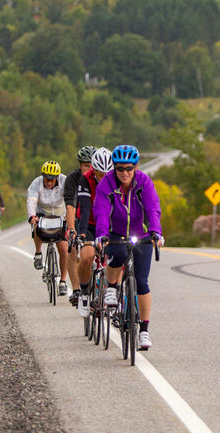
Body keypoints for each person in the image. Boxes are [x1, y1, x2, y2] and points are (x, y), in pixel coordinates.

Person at [93, 145, 164, 349]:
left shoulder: (143, 182)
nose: (124, 173)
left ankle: (144, 330)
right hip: (116, 231)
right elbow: (101, 210)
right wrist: (101, 234)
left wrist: (155, 231)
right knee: (116, 252)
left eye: (129, 168)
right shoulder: (106, 183)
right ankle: (113, 287)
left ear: (136, 167)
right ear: (114, 168)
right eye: (120, 168)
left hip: (140, 234)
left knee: (142, 282)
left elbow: (152, 207)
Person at [73, 147, 113, 317]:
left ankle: (116, 295)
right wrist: (81, 234)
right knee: (87, 256)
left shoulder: (116, 179)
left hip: (110, 224)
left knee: (119, 257)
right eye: (99, 173)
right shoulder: (85, 179)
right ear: (93, 169)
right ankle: (83, 293)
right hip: (88, 223)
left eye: (106, 173)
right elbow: (85, 205)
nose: (103, 177)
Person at [27, 161, 69, 297]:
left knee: (63, 249)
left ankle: (62, 282)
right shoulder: (36, 183)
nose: (49, 182)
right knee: (36, 225)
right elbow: (31, 200)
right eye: (46, 179)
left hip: (59, 213)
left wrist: (69, 217)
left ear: (57, 177)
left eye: (52, 180)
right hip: (42, 212)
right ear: (43, 176)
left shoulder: (64, 181)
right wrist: (31, 216)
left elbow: (71, 199)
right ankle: (38, 253)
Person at [63, 146, 97, 305]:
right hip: (78, 218)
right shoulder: (72, 179)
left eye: (91, 165)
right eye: (85, 165)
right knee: (73, 248)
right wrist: (71, 229)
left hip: (98, 219)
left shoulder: (102, 177)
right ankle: (77, 290)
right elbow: (71, 205)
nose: (89, 169)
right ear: (80, 165)